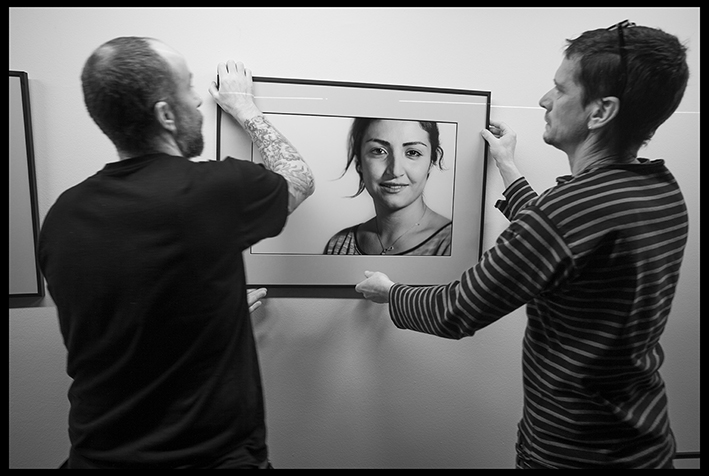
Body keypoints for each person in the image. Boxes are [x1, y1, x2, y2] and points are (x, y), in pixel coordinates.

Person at [355, 22, 689, 468]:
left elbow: (457, 310)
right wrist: (507, 166)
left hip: (572, 453)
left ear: (601, 111)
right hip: (644, 443)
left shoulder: (570, 212)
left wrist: (389, 292)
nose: (545, 100)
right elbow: (563, 242)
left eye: (560, 88)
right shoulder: (659, 189)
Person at [38, 37, 315, 469]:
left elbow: (119, 314)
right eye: (188, 89)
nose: (199, 103)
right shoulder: (214, 191)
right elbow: (297, 178)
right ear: (166, 115)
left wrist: (213, 312)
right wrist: (246, 109)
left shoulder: (62, 215)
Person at [324, 118, 452, 255]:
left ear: (432, 161)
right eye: (379, 151)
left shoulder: (452, 243)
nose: (395, 171)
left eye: (412, 153)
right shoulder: (339, 245)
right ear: (359, 161)